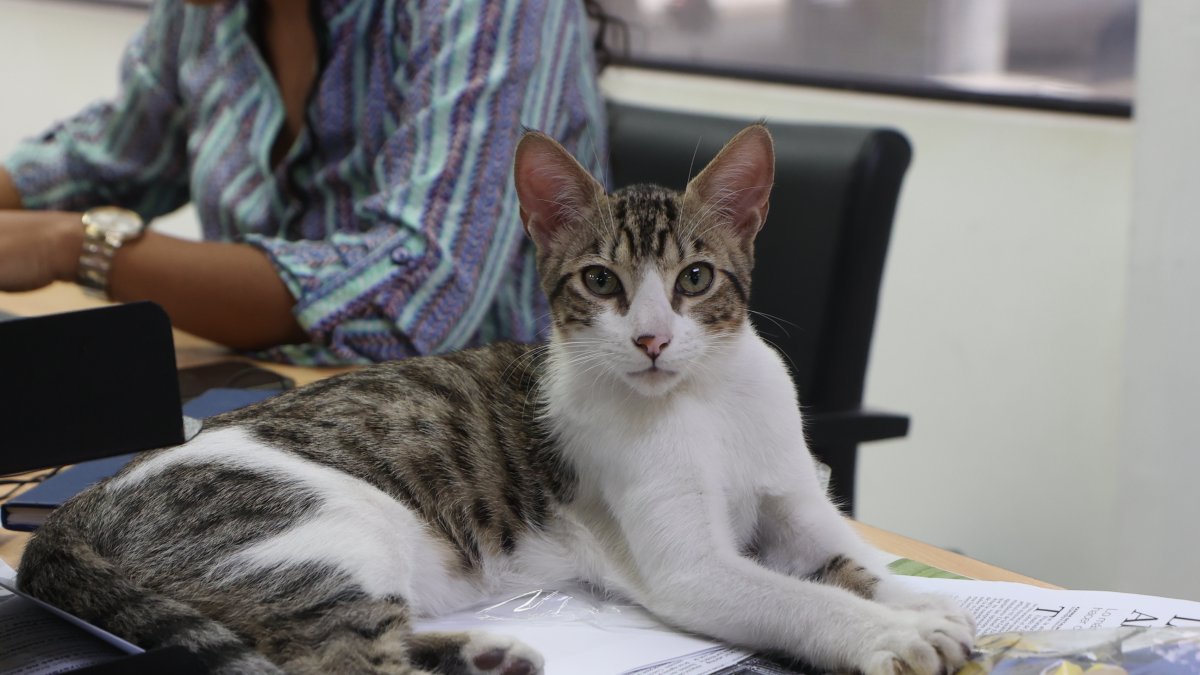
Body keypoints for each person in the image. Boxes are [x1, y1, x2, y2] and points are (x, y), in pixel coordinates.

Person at [0, 0, 613, 365]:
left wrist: (74, 246)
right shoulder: (212, 13)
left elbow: (419, 295)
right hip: (271, 407)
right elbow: (106, 157)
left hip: (479, 449)